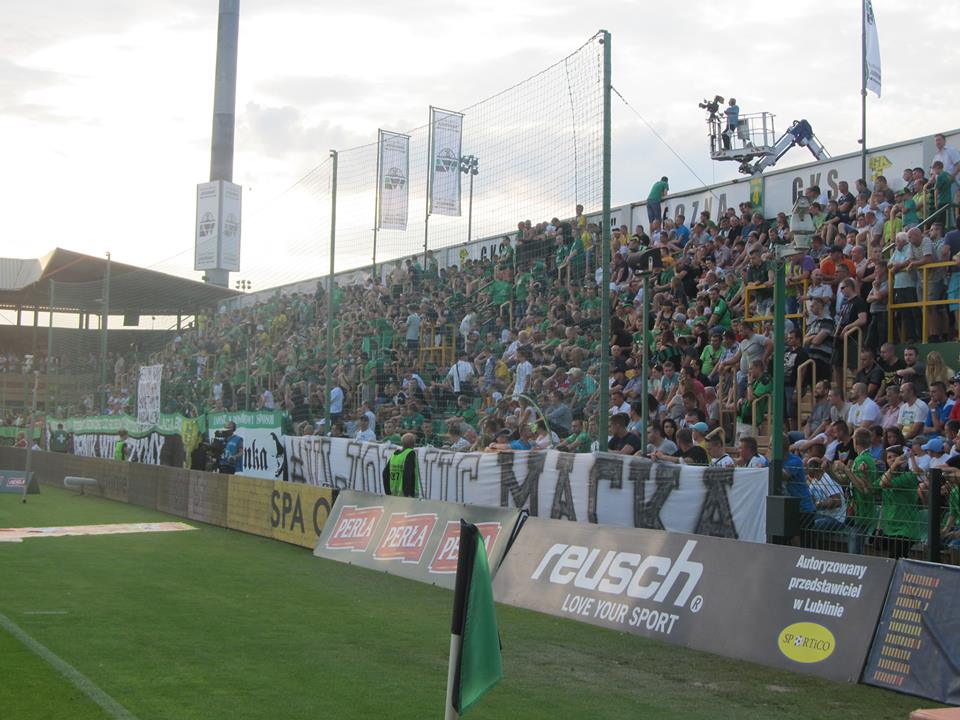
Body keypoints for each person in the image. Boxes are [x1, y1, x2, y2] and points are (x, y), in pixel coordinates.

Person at [382, 433, 419, 497]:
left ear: (402, 443)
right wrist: (407, 493)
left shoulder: (394, 455)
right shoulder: (410, 453)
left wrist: (387, 491)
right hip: (405, 495)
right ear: (413, 444)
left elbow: (385, 473)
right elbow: (408, 474)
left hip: (393, 494)